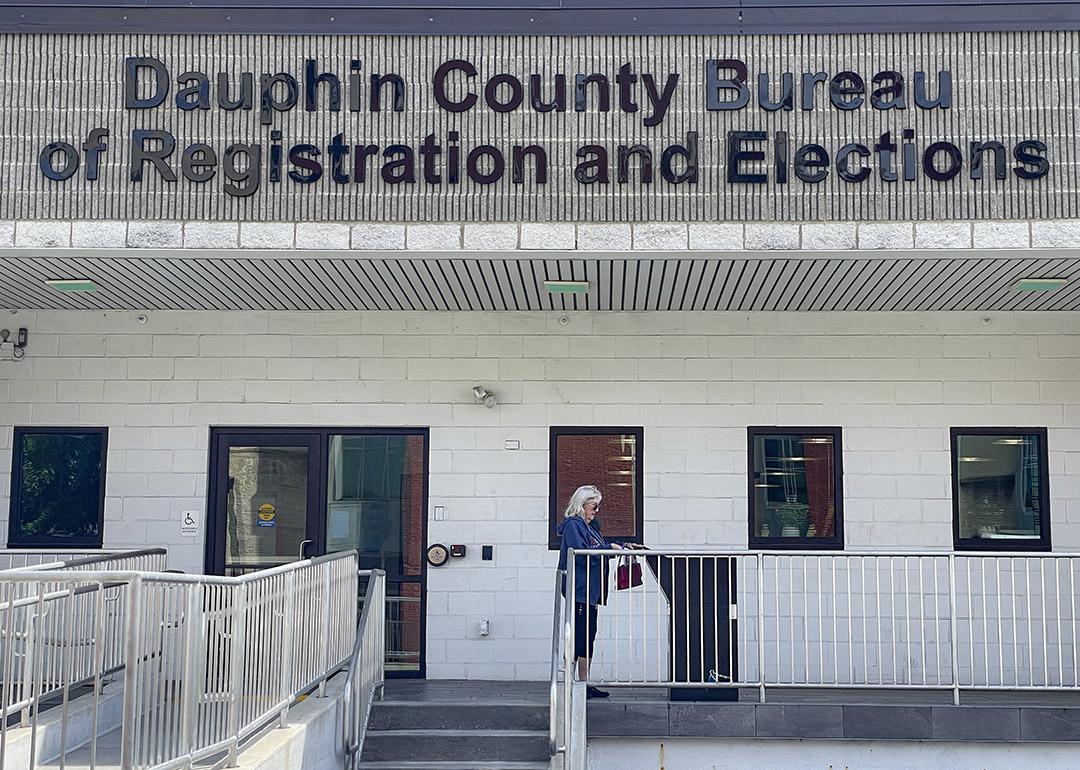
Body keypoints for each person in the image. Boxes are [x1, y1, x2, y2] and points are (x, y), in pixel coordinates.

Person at [556, 485, 643, 699]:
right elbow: (580, 552)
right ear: (581, 504)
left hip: (590, 590)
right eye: (593, 506)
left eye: (597, 506)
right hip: (579, 588)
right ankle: (574, 683)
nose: (596, 510)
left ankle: (583, 683)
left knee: (588, 634)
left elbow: (600, 546)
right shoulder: (574, 525)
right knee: (580, 635)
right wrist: (610, 548)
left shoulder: (590, 527)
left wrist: (622, 545)